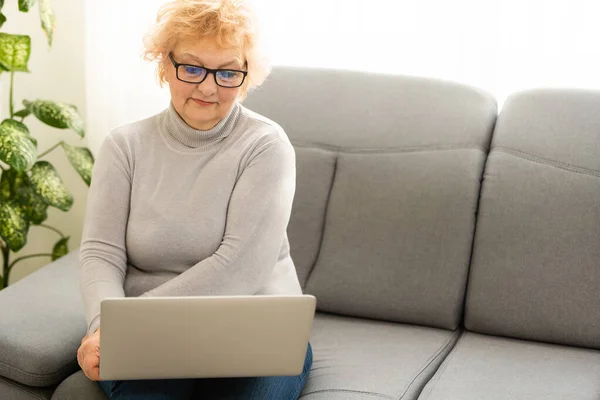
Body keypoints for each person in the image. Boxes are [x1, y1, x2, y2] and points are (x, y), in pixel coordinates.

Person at [76, 0, 312, 398]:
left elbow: (240, 268)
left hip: (254, 332)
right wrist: (103, 325)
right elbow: (101, 252)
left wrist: (128, 325)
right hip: (147, 338)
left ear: (246, 75)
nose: (208, 87)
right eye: (192, 67)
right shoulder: (124, 145)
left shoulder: (266, 145)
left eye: (227, 72)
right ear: (164, 65)